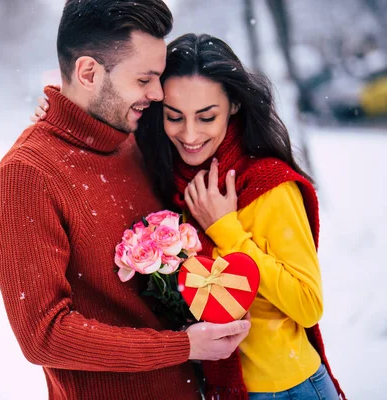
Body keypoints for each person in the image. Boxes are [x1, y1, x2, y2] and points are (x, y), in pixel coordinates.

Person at [33, 33, 346, 399]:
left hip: (288, 389)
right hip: (217, 388)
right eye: (175, 117)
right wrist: (61, 120)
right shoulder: (168, 177)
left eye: (206, 116)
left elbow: (308, 305)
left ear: (233, 106)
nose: (191, 134)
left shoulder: (269, 185)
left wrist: (226, 229)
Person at [0, 2, 251, 400]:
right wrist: (185, 346)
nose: (158, 93)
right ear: (88, 73)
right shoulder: (27, 177)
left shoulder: (133, 135)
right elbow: (44, 336)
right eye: (145, 78)